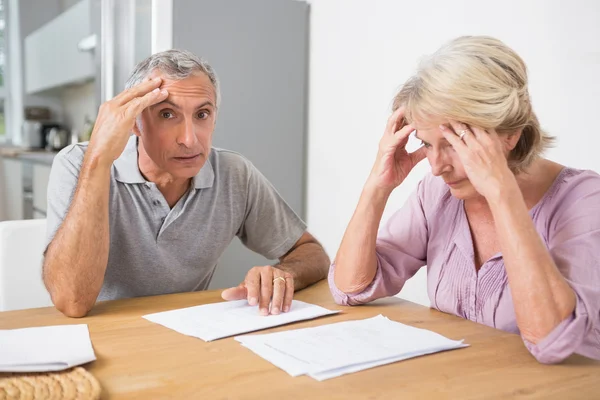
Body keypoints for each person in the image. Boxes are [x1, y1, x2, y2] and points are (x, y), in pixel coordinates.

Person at [329, 36, 600, 364]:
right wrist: (378, 186)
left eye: (454, 144)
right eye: (427, 144)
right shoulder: (438, 193)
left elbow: (551, 341)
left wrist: (502, 194)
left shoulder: (584, 199)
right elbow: (351, 286)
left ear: (509, 134)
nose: (437, 166)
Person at [43, 49, 329, 318]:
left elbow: (313, 254)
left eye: (202, 115)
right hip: (100, 334)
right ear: (134, 122)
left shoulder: (234, 174)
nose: (190, 140)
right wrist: (99, 162)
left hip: (186, 336)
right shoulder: (79, 163)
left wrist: (285, 274)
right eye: (167, 115)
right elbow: (72, 301)